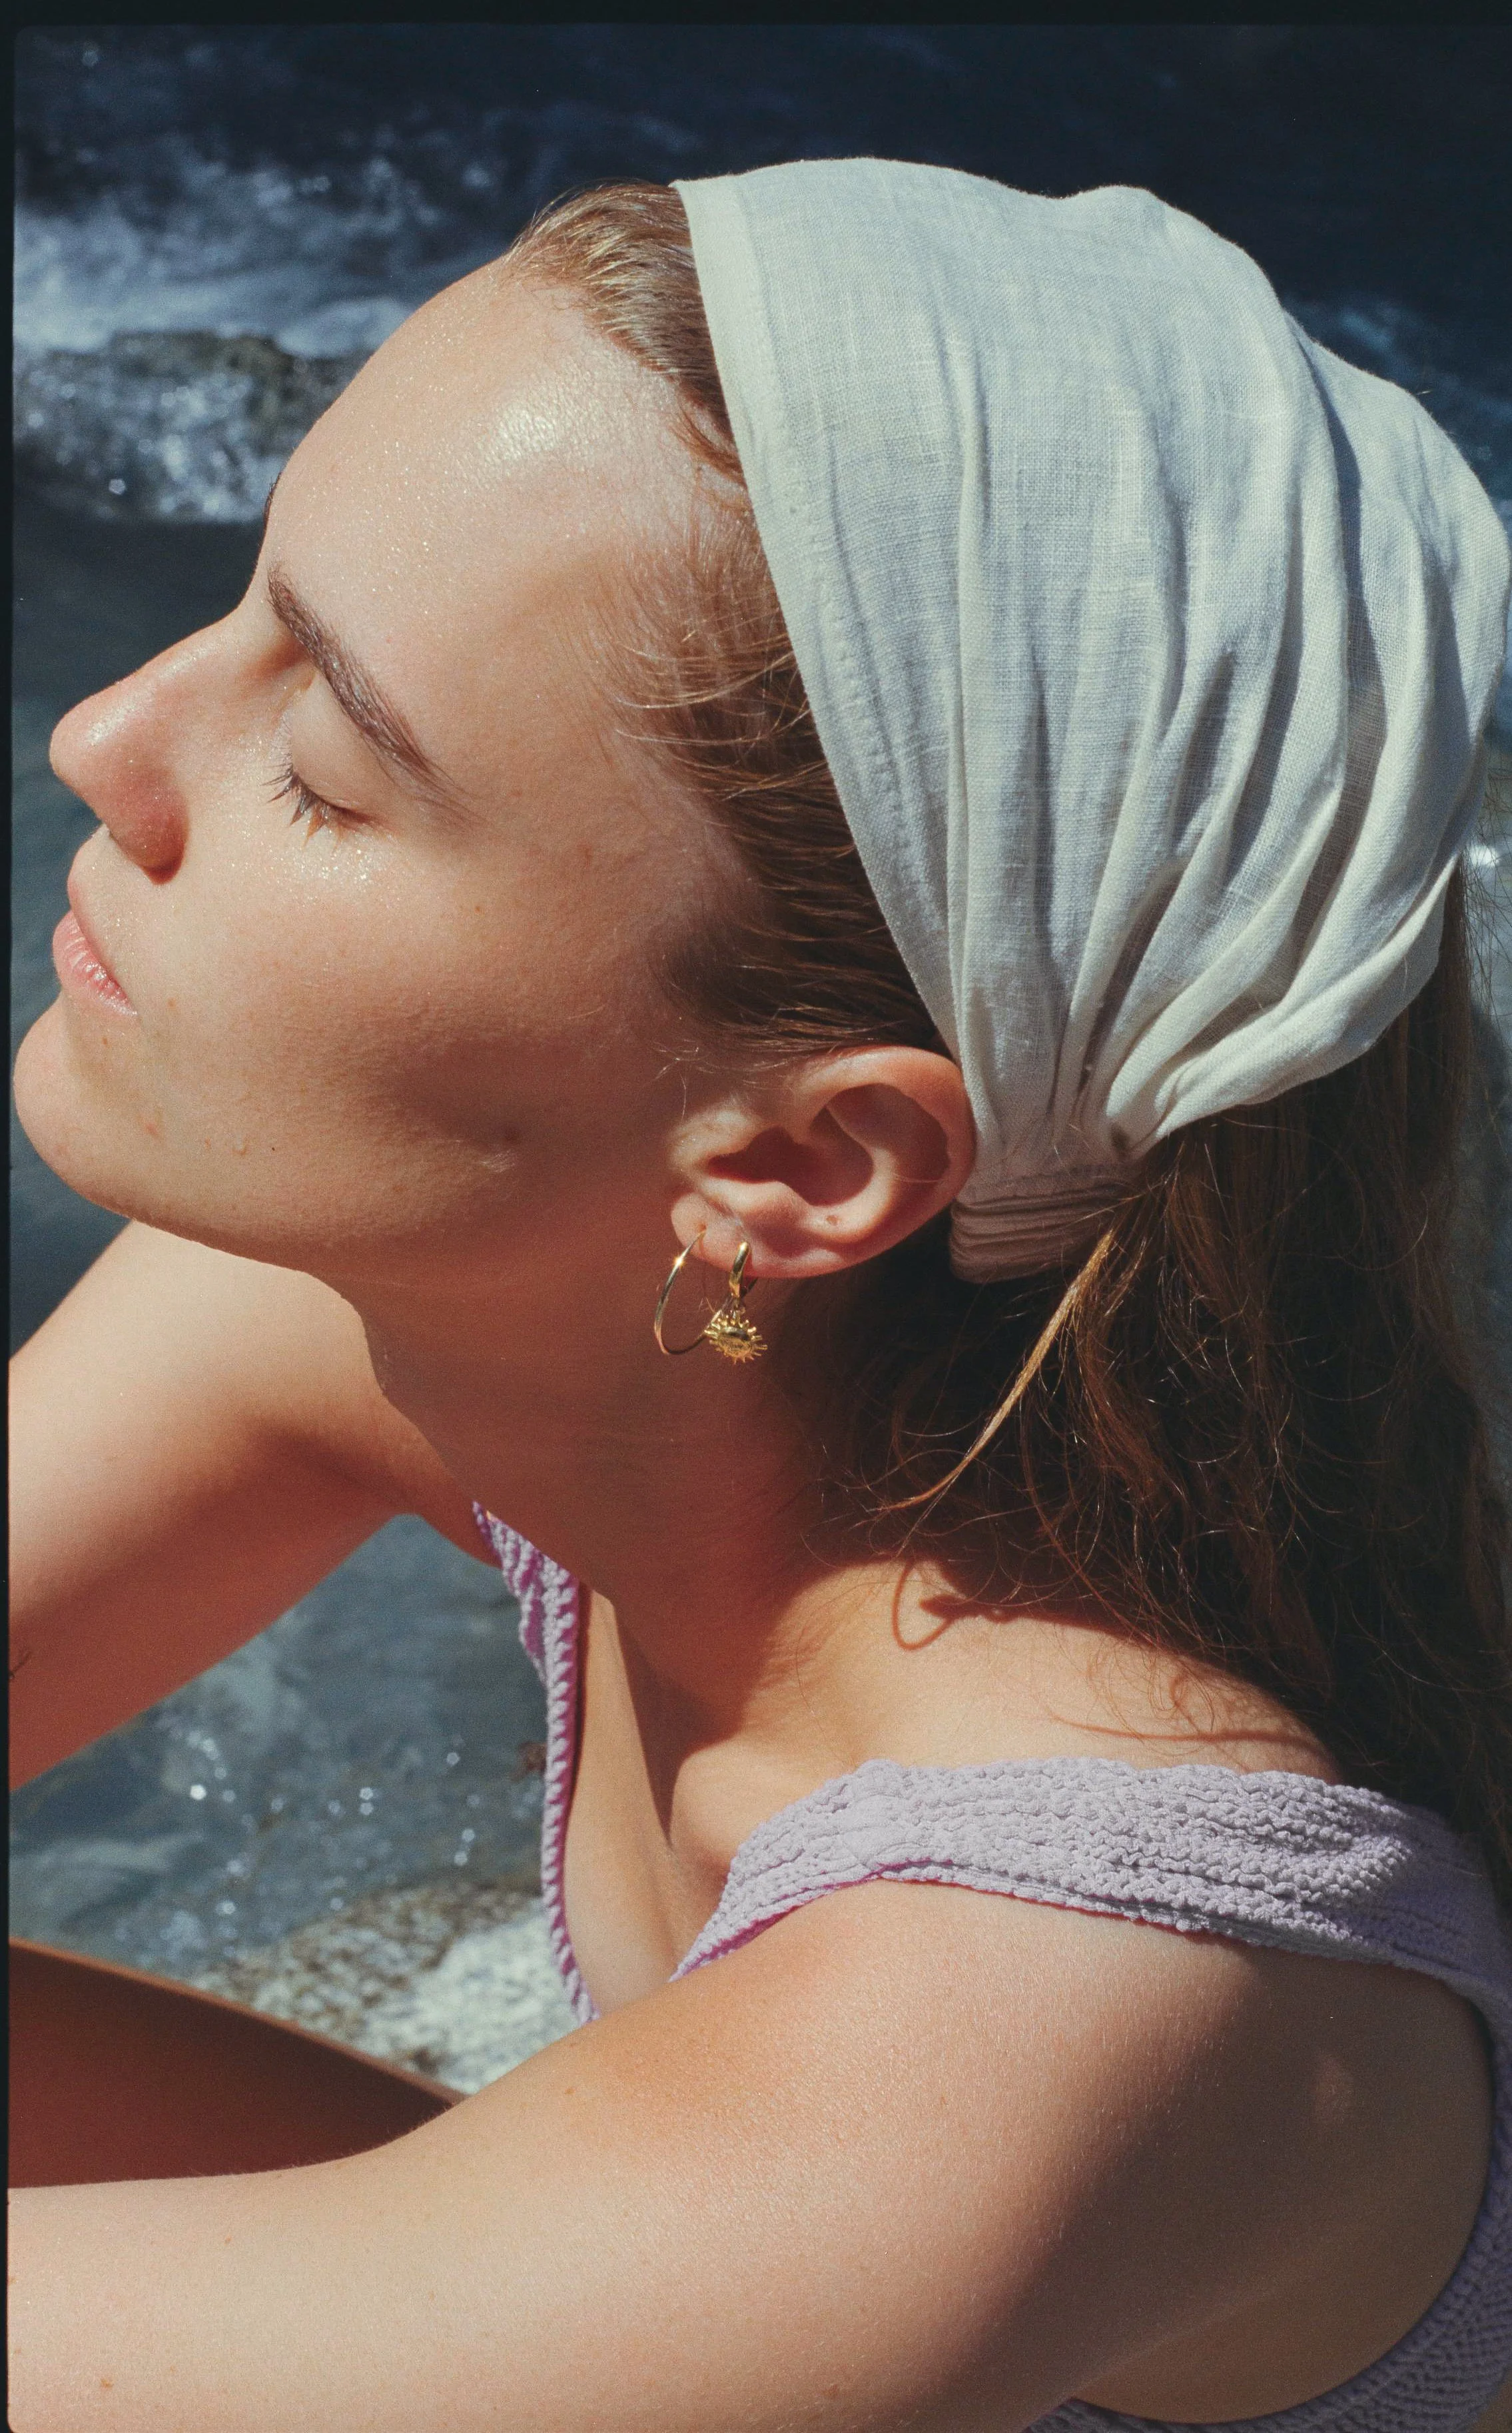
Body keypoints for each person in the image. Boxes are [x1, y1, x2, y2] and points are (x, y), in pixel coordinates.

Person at [8, 159, 1512, 2433]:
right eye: (243, 604)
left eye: (326, 764)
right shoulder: (494, 1301)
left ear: (800, 1163)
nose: (107, 738)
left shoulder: (1052, 2009)